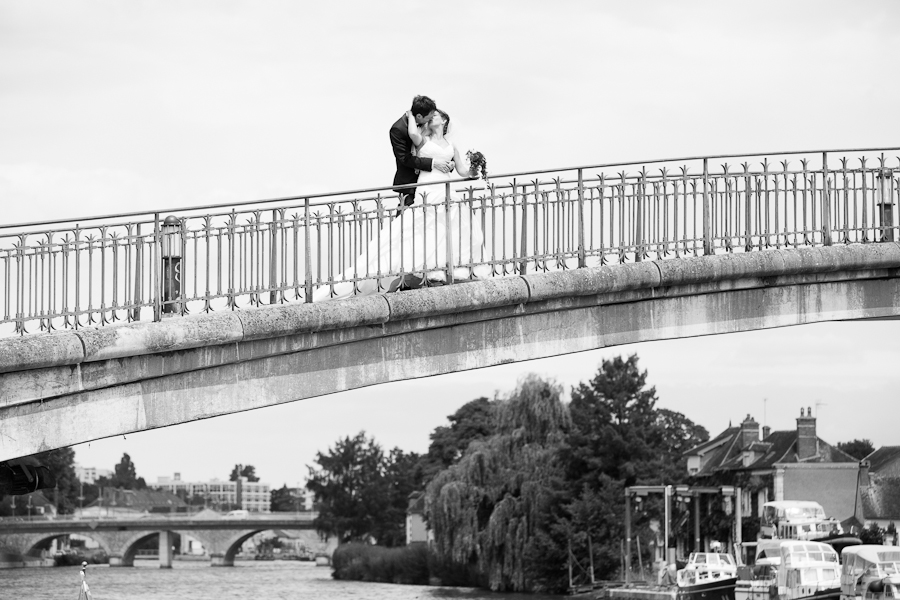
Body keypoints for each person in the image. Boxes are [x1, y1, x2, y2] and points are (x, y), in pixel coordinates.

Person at [313, 107, 489, 301]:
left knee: (449, 226)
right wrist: (412, 114)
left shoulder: (451, 145)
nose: (433, 117)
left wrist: (474, 170)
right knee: (426, 227)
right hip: (428, 188)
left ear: (445, 121)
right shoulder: (424, 140)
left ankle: (447, 270)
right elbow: (412, 132)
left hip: (445, 188)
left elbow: (462, 171)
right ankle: (426, 272)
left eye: (436, 115)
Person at [389, 95, 453, 213]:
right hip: (410, 181)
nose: (430, 120)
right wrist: (433, 163)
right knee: (408, 218)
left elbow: (436, 147)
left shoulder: (426, 125)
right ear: (418, 116)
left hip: (432, 182)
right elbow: (405, 159)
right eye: (429, 118)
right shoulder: (398, 129)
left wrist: (450, 162)